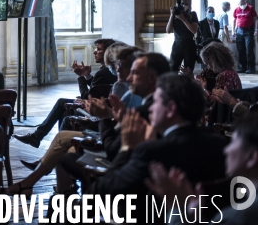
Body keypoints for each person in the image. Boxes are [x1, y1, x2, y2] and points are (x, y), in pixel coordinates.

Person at [88, 74, 228, 220]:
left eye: (155, 102)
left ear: (170, 109)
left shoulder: (151, 152)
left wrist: (127, 148)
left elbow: (99, 192)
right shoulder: (222, 144)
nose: (150, 108)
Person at [146, 113, 258, 223]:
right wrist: (193, 217)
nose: (226, 150)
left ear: (252, 157)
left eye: (233, 142)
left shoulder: (236, 217)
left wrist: (177, 209)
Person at [13, 39, 117, 148]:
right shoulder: (110, 70)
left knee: (62, 105)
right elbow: (98, 90)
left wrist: (81, 76)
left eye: (98, 49)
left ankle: (50, 144)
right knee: (63, 107)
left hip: (95, 111)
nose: (95, 52)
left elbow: (87, 96)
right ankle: (52, 145)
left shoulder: (102, 73)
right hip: (102, 107)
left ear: (108, 53)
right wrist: (87, 76)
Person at [166, 0, 199, 72]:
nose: (184, 5)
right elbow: (168, 30)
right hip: (177, 45)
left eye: (186, 4)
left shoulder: (192, 14)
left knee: (188, 69)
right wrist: (171, 15)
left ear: (189, 5)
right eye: (182, 3)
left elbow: (194, 30)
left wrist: (183, 19)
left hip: (189, 45)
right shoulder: (175, 14)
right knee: (172, 68)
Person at [233, 0, 258, 74]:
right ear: (238, 3)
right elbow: (234, 20)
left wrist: (256, 30)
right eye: (240, 3)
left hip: (248, 31)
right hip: (239, 31)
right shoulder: (236, 9)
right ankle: (243, 67)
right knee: (240, 49)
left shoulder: (250, 8)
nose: (242, 4)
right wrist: (233, 30)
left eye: (243, 3)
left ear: (245, 2)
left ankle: (251, 67)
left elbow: (256, 19)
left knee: (249, 49)